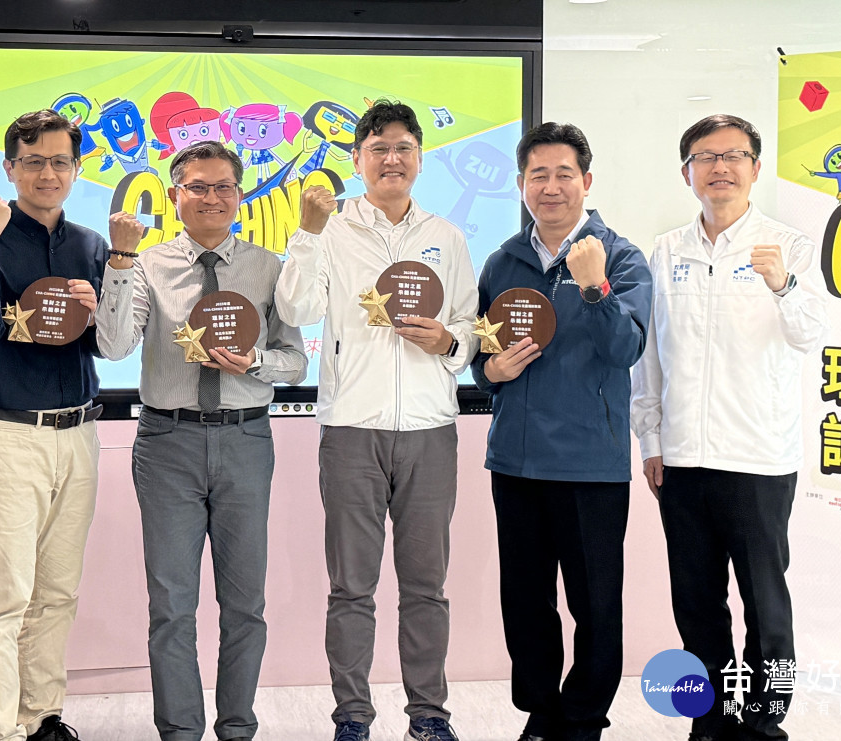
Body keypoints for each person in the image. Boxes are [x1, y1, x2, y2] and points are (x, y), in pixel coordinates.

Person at [276, 99, 478, 741]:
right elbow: (296, 309)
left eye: (403, 147)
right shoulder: (332, 230)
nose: (392, 158)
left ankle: (429, 715)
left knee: (427, 586)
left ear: (420, 157)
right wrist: (307, 233)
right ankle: (353, 717)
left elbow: (470, 325)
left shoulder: (447, 237)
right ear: (357, 158)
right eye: (379, 148)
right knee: (351, 588)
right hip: (351, 430)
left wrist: (448, 341)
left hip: (429, 429)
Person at [98, 140, 306, 741]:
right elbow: (113, 345)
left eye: (223, 187)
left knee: (245, 605)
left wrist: (254, 361)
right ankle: (180, 732)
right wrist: (118, 261)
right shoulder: (145, 264)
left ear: (240, 196)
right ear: (175, 195)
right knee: (171, 605)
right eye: (197, 186)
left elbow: (295, 361)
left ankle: (238, 728)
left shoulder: (269, 267)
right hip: (168, 442)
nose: (211, 198)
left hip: (246, 440)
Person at [630, 114, 829, 741]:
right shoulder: (667, 251)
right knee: (696, 602)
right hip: (684, 459)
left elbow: (812, 334)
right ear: (686, 172)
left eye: (734, 155)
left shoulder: (788, 246)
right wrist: (652, 440)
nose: (720, 167)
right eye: (705, 157)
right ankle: (712, 718)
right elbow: (650, 357)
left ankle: (765, 721)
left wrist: (783, 285)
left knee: (766, 605)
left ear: (755, 167)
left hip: (759, 459)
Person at [0, 109, 137, 741]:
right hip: (7, 434)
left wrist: (99, 303)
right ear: (11, 168)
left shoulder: (91, 245)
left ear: (77, 169)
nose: (47, 174)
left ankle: (41, 717)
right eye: (33, 162)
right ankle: (0, 732)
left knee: (57, 591)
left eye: (60, 161)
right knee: (3, 596)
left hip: (79, 433)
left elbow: (108, 345)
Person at [471, 122, 652, 741]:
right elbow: (483, 352)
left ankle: (584, 718)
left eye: (563, 174)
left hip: (590, 463)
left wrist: (595, 286)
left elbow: (626, 349)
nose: (550, 187)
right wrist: (488, 372)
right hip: (516, 460)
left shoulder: (621, 258)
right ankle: (542, 712)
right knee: (525, 600)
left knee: (595, 603)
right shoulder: (503, 260)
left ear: (587, 181)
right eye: (538, 175)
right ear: (521, 184)